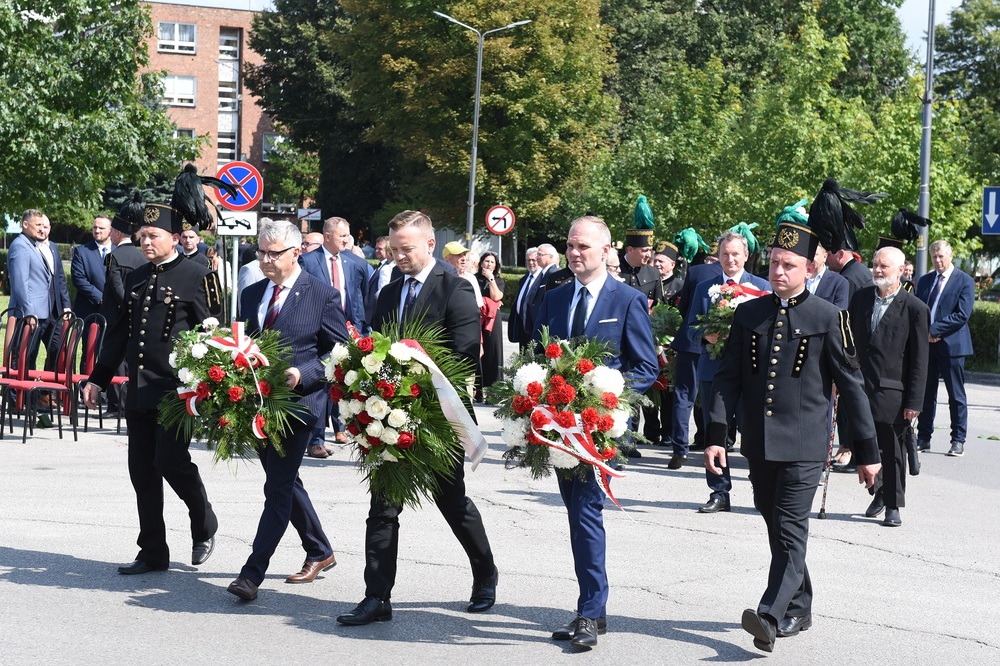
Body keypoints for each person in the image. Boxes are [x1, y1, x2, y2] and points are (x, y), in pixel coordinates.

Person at [704, 221, 880, 653]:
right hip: (760, 443)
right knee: (774, 519)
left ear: (808, 267)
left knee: (789, 526)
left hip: (804, 444)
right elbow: (728, 380)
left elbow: (852, 386)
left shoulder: (827, 316)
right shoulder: (749, 314)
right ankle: (800, 603)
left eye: (789, 265)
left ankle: (770, 613)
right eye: (774, 263)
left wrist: (866, 452)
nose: (779, 272)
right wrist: (715, 435)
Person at [337, 210, 498, 626]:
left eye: (405, 249)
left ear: (429, 244)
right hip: (387, 417)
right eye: (393, 250)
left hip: (436, 418)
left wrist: (414, 378)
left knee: (451, 501)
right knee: (383, 507)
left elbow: (464, 356)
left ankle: (484, 572)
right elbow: (374, 347)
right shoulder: (388, 291)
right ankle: (377, 597)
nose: (398, 257)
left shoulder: (456, 288)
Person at [533, 215, 658, 650]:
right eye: (570, 245)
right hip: (560, 428)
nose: (574, 253)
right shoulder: (554, 298)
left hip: (599, 430)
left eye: (583, 246)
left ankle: (589, 611)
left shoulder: (627, 300)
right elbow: (537, 359)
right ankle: (595, 610)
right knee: (576, 513)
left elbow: (646, 367)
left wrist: (607, 399)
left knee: (586, 512)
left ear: (606, 251)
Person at [83, 202, 223, 575]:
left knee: (171, 461)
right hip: (140, 390)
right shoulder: (135, 277)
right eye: (141, 236)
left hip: (177, 391)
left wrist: (210, 385)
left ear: (174, 238)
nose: (145, 242)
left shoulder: (198, 275)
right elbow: (120, 334)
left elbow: (214, 333)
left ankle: (203, 521)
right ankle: (153, 551)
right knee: (141, 471)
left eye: (153, 236)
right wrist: (98, 378)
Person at [227, 220, 349, 601]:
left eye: (273, 253)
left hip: (300, 406)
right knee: (285, 479)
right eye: (260, 252)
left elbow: (340, 351)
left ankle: (251, 574)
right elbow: (242, 342)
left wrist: (305, 372)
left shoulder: (322, 294)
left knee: (277, 486)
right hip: (260, 404)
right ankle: (319, 549)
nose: (264, 260)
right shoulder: (252, 293)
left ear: (296, 252)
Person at [686, 230, 771, 510]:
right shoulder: (704, 288)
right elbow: (690, 328)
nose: (730, 259)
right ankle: (719, 492)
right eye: (725, 254)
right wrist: (705, 335)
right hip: (714, 372)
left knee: (755, 432)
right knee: (715, 433)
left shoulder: (761, 287)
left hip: (751, 373)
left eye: (735, 254)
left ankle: (762, 487)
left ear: (746, 256)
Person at [848, 246, 928, 527]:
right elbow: (851, 343)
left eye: (884, 266)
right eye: (875, 265)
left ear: (901, 270)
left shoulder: (915, 308)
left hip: (893, 393)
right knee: (865, 446)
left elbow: (919, 360)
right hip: (860, 388)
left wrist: (914, 403)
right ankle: (878, 491)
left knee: (892, 451)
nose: (878, 270)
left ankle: (893, 504)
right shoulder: (860, 299)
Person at [299, 216, 372, 458]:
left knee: (346, 383)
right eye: (342, 235)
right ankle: (316, 440)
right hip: (318, 333)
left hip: (348, 332)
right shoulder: (308, 261)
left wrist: (360, 331)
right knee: (320, 386)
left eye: (347, 235)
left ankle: (346, 428)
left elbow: (359, 298)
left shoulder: (354, 263)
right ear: (328, 236)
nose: (346, 239)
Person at [915, 239, 975, 457]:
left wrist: (935, 330)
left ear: (950, 255)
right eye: (934, 257)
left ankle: (958, 439)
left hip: (953, 346)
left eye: (941, 256)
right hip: (927, 346)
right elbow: (918, 309)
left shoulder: (964, 281)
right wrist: (924, 333)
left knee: (956, 395)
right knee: (925, 393)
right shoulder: (925, 281)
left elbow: (962, 314)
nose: (938, 260)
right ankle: (923, 438)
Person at [669, 228, 719, 463]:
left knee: (684, 395)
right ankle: (716, 443)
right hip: (717, 346)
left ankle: (679, 449)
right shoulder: (737, 278)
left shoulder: (696, 271)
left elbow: (684, 306)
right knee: (716, 397)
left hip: (691, 341)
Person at [8, 210, 72, 372]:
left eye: (43, 225)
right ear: (25, 224)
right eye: (37, 225)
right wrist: (29, 312)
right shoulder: (20, 246)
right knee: (23, 357)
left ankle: (35, 395)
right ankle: (17, 397)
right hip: (29, 314)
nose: (40, 228)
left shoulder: (34, 244)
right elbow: (20, 284)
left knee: (39, 354)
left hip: (45, 312)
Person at [475, 251, 505, 401]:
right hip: (476, 317)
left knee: (493, 352)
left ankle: (494, 391)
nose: (489, 264)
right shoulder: (474, 279)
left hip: (492, 320)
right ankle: (477, 390)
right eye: (486, 261)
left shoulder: (497, 280)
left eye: (492, 262)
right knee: (477, 352)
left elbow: (497, 296)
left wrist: (491, 279)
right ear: (481, 263)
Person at [71, 215, 113, 320]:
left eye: (101, 228)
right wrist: (99, 297)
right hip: (89, 311)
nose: (97, 231)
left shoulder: (118, 251)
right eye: (95, 227)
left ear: (110, 230)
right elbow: (78, 278)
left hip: (113, 312)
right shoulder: (82, 251)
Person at [508, 248, 540, 349]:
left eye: (533, 260)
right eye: (528, 260)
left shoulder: (543, 279)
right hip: (522, 327)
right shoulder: (524, 279)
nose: (530, 263)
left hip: (534, 328)